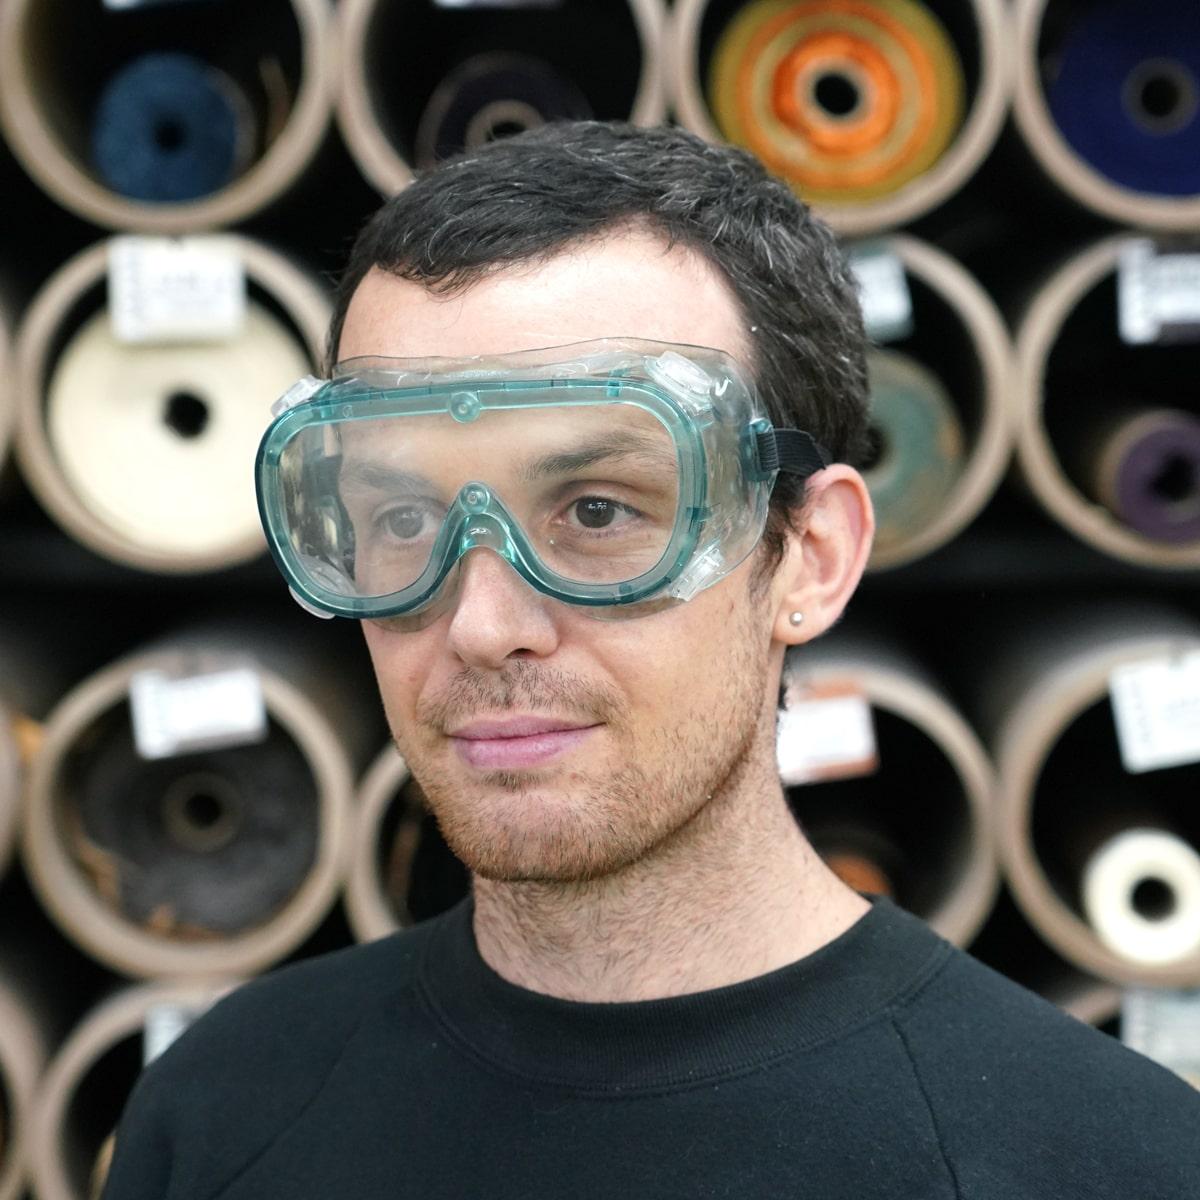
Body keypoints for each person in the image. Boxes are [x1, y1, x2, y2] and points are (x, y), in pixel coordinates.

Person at [102, 122, 1199, 1200]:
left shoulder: (1113, 1165)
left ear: (810, 557)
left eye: (596, 510)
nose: (481, 624)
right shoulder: (215, 1114)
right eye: (401, 517)